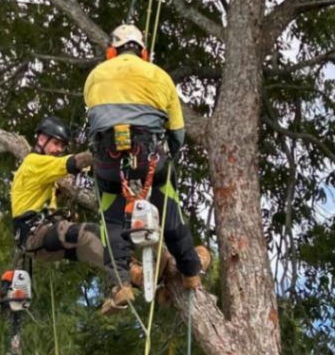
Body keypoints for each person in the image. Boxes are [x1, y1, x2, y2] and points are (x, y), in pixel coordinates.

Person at [84, 24, 209, 313]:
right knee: (168, 206)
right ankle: (191, 270)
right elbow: (177, 133)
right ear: (143, 52)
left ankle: (120, 284)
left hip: (108, 159)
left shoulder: (95, 77)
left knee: (112, 220)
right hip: (149, 156)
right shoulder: (159, 76)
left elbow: (94, 121)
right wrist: (170, 157)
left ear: (112, 50)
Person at [11, 115, 103, 269]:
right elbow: (71, 162)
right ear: (41, 139)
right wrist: (98, 152)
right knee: (90, 233)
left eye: (62, 146)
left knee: (94, 249)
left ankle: (132, 273)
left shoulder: (45, 173)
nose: (59, 149)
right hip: (35, 234)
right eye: (56, 143)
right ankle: (124, 267)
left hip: (42, 240)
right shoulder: (33, 162)